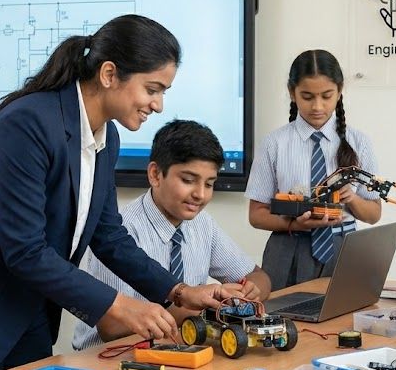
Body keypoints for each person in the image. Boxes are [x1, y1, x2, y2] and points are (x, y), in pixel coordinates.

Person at [0, 15, 232, 370]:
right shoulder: (28, 123)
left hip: (22, 309)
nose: (158, 104)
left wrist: (178, 291)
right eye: (152, 89)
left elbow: (108, 236)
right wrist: (119, 306)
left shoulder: (107, 137)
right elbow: (24, 250)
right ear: (108, 74)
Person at [72, 119, 272, 350]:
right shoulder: (118, 233)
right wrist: (205, 305)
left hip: (181, 349)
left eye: (209, 184)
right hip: (108, 356)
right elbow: (112, 328)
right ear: (155, 174)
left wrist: (249, 291)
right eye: (188, 180)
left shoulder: (203, 224)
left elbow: (259, 277)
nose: (200, 194)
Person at [245, 49, 382, 290]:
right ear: (292, 92)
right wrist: (296, 224)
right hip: (288, 247)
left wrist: (351, 199)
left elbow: (374, 214)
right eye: (307, 96)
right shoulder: (274, 143)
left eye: (327, 96)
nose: (317, 106)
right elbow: (256, 215)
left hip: (343, 247)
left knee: (344, 320)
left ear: (339, 91)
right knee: (283, 317)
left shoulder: (359, 142)